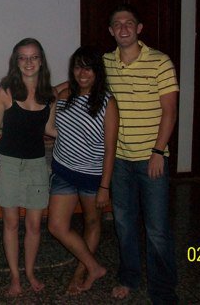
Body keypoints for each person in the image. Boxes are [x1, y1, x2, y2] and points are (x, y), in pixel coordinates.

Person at [104, 4, 179, 304]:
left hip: (152, 158)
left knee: (157, 228)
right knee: (124, 224)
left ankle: (163, 290)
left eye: (129, 23)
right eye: (117, 23)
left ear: (139, 28)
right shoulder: (106, 63)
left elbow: (170, 111)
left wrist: (158, 151)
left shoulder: (160, 62)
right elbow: (80, 81)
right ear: (111, 31)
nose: (123, 28)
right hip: (119, 160)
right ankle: (129, 277)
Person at [47, 46, 118, 295]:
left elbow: (110, 150)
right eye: (78, 67)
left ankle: (80, 273)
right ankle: (94, 266)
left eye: (89, 68)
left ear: (98, 71)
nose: (83, 73)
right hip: (64, 171)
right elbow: (48, 100)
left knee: (92, 222)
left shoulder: (108, 103)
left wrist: (104, 187)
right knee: (56, 226)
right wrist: (63, 87)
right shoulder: (66, 95)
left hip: (92, 176)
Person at [0, 38, 56, 297]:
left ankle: (29, 272)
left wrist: (78, 134)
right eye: (23, 57)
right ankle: (15, 277)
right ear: (16, 62)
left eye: (34, 57)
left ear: (41, 61)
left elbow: (49, 128)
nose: (29, 62)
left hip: (37, 164)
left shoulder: (50, 94)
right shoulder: (5, 91)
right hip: (7, 163)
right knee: (10, 223)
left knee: (34, 225)